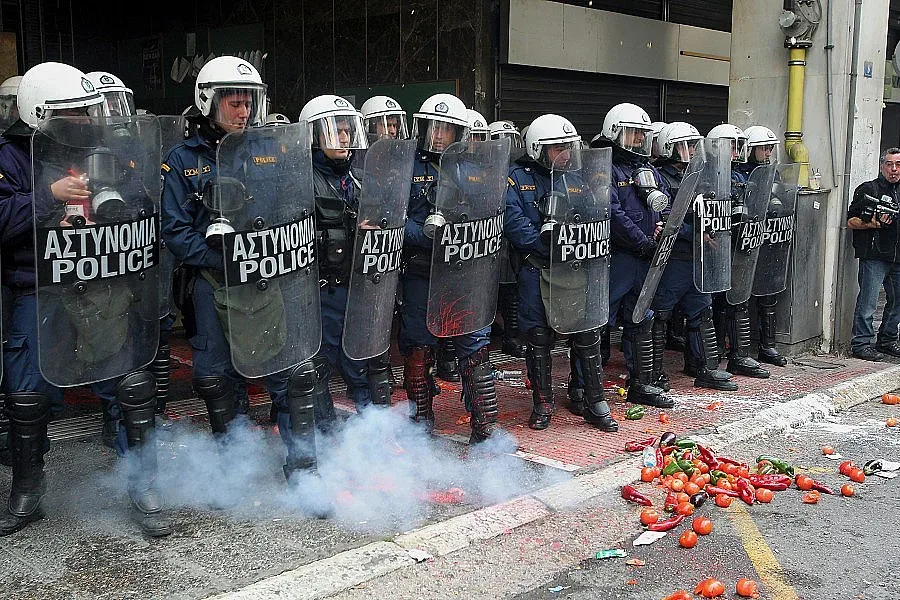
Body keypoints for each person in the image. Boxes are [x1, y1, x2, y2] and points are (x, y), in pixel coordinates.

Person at [1, 61, 169, 537]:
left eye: (85, 111)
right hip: (38, 287)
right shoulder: (11, 157)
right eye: (71, 114)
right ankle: (28, 491)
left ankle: (144, 487)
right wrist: (49, 196)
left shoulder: (106, 149)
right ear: (39, 112)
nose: (82, 122)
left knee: (131, 383)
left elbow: (143, 204)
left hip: (100, 280)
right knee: (26, 393)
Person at [160, 56, 321, 485]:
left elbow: (293, 207)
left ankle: (303, 468)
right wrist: (220, 259)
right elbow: (174, 230)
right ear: (208, 101)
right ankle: (233, 465)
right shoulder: (181, 159)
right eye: (233, 103)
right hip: (212, 284)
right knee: (215, 377)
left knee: (289, 372)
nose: (244, 112)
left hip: (265, 278)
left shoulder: (268, 150)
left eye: (248, 102)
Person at [505, 113, 618, 431]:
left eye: (569, 147)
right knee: (538, 338)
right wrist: (551, 244)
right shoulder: (516, 178)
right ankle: (542, 403)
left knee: (587, 332)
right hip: (537, 269)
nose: (567, 154)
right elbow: (517, 228)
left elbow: (596, 218)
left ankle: (593, 400)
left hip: (574, 268)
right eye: (558, 148)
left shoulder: (575, 178)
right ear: (538, 148)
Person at [400, 93, 502, 443]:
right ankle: (420, 421)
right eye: (435, 126)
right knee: (418, 347)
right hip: (422, 271)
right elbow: (391, 222)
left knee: (475, 347)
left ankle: (485, 428)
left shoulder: (474, 171)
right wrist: (429, 237)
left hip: (463, 271)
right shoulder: (407, 167)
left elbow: (489, 219)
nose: (440, 135)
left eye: (448, 128)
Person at [298, 94, 394, 419]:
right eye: (334, 130)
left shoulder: (358, 179)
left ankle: (373, 433)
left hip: (358, 289)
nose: (344, 137)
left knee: (363, 364)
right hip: (321, 291)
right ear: (313, 135)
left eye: (347, 130)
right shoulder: (300, 183)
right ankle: (324, 434)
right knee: (318, 367)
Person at [590, 103, 673, 408]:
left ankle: (642, 383)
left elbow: (662, 205)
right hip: (616, 259)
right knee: (600, 322)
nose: (638, 139)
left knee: (641, 320)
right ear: (614, 133)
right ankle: (586, 388)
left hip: (642, 258)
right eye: (632, 133)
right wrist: (642, 241)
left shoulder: (648, 168)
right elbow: (613, 214)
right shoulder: (604, 167)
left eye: (642, 134)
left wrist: (661, 228)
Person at [651, 122, 737, 391]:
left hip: (696, 257)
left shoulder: (700, 174)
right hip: (673, 257)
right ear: (668, 147)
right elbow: (665, 219)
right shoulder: (659, 177)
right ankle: (652, 373)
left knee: (702, 311)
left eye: (692, 145)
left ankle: (703, 366)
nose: (689, 150)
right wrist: (696, 234)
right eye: (684, 145)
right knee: (660, 315)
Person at [709, 123, 771, 379]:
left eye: (738, 146)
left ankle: (739, 355)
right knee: (712, 305)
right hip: (714, 248)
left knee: (738, 301)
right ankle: (712, 356)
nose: (736, 152)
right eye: (730, 146)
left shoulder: (743, 175)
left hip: (739, 244)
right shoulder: (708, 173)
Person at [846, 147, 900, 361]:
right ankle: (861, 344)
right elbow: (851, 221)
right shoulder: (868, 189)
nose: (894, 169)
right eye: (889, 164)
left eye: (898, 164)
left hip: (898, 257)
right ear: (881, 166)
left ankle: (887, 340)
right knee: (868, 301)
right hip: (874, 255)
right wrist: (873, 223)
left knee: (897, 302)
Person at [744, 125, 790, 367]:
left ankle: (767, 345)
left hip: (768, 240)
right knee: (738, 297)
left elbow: (780, 199)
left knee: (768, 294)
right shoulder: (741, 172)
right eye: (763, 148)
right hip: (745, 241)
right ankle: (734, 348)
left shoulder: (774, 173)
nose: (768, 152)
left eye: (771, 148)